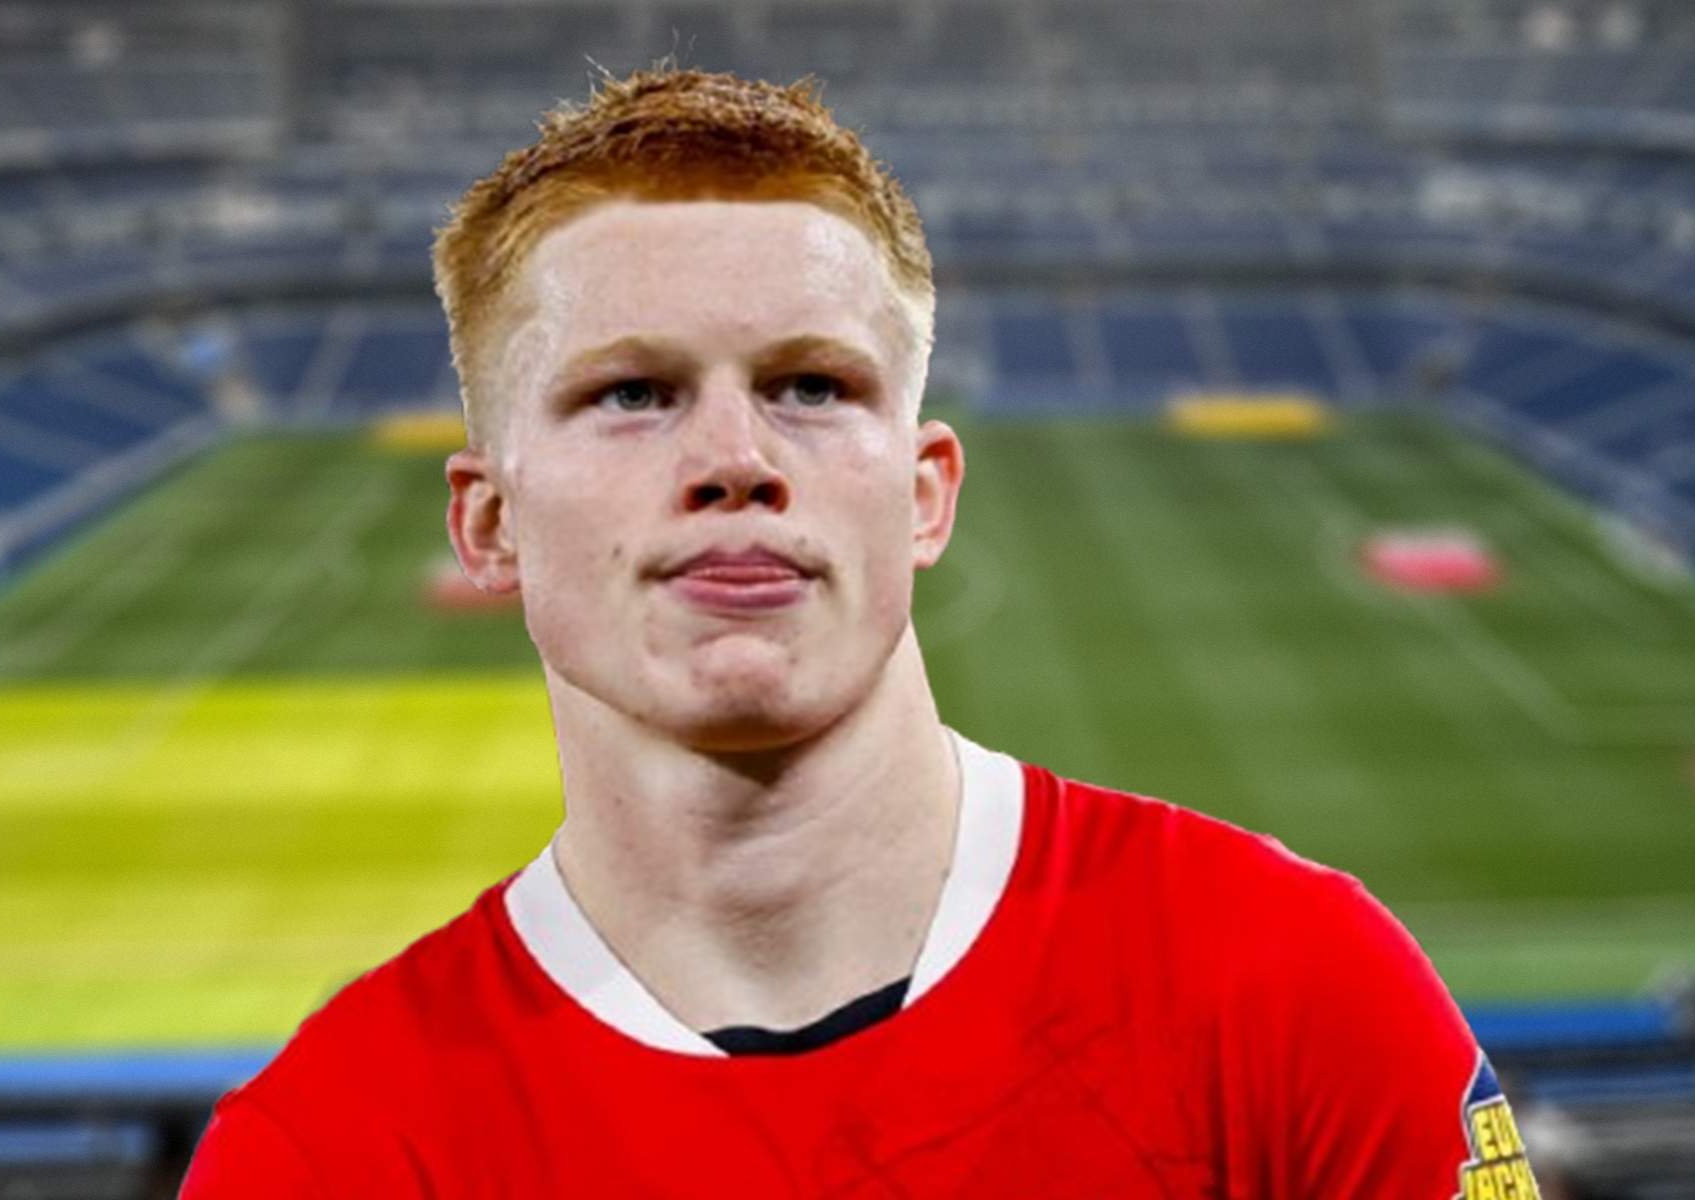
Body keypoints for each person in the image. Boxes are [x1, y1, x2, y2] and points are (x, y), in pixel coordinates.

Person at [181, 69, 1538, 1198]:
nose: (735, 458)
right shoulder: (326, 1151)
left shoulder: (1295, 990)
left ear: (927, 490)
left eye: (812, 386)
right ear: (487, 524)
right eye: (633, 392)